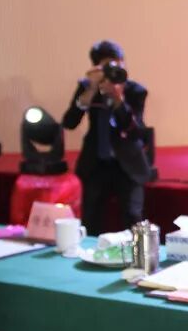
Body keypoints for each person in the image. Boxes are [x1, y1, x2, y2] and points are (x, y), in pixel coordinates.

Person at [61, 40, 150, 236]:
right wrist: (91, 90)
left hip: (128, 165)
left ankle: (137, 253)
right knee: (90, 219)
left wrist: (118, 99)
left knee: (133, 215)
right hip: (96, 163)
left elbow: (135, 131)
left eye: (117, 64)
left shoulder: (135, 91)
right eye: (106, 67)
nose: (112, 71)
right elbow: (69, 122)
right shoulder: (87, 88)